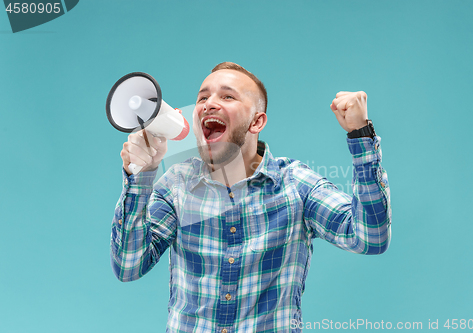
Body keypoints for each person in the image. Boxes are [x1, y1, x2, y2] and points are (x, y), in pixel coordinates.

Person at [110, 62, 391, 333]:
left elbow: (370, 237)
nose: (209, 103)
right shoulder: (176, 185)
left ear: (257, 121)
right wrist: (140, 178)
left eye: (227, 96)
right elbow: (128, 266)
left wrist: (360, 135)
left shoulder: (295, 185)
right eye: (203, 97)